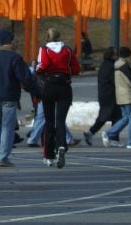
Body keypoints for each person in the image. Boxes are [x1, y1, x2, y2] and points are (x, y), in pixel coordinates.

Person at [0, 30, 38, 168]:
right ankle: (3, 156)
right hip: (9, 96)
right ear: (9, 41)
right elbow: (25, 78)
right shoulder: (15, 58)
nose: (17, 42)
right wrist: (35, 91)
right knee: (7, 126)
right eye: (15, 40)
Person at [35, 28, 80, 168]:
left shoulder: (44, 50)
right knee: (60, 120)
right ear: (59, 36)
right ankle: (61, 145)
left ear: (47, 37)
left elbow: (43, 65)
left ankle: (48, 155)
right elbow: (76, 69)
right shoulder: (67, 50)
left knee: (49, 122)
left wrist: (37, 70)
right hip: (64, 86)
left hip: (49, 86)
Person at [104, 46, 131, 148]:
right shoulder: (125, 66)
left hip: (121, 95)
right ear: (128, 56)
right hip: (128, 95)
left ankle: (109, 133)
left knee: (126, 118)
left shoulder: (116, 65)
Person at [83, 47, 118, 145]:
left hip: (104, 95)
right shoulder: (111, 66)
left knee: (105, 116)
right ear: (111, 55)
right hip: (110, 95)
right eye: (115, 54)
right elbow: (114, 81)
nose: (117, 56)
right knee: (114, 116)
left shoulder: (104, 65)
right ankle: (113, 137)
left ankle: (91, 133)